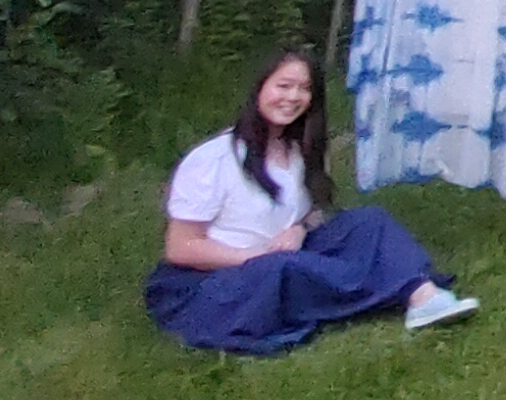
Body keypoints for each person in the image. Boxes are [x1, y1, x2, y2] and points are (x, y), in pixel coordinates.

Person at [144, 46, 474, 355]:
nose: (293, 97)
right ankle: (403, 284)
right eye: (283, 86)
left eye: (303, 88)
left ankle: (421, 296)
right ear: (260, 88)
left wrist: (300, 229)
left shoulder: (301, 149)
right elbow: (181, 248)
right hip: (220, 279)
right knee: (286, 267)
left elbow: (312, 212)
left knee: (368, 222)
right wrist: (254, 257)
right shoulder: (213, 159)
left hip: (284, 254)